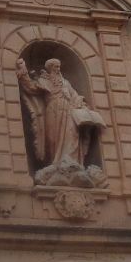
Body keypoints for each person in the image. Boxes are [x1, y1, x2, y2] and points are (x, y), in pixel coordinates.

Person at [15, 55, 107, 188]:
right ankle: (56, 163)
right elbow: (31, 87)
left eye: (59, 67)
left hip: (69, 111)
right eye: (55, 67)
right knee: (54, 138)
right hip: (53, 111)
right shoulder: (44, 80)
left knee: (72, 135)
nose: (58, 69)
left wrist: (80, 104)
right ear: (50, 68)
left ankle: (72, 162)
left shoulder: (66, 82)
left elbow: (74, 95)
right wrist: (23, 73)